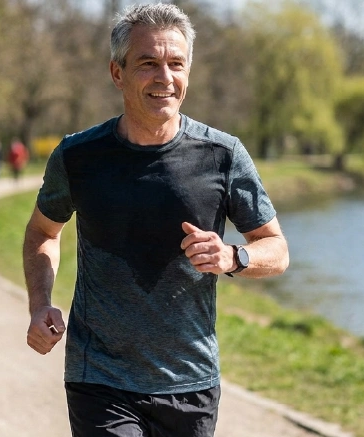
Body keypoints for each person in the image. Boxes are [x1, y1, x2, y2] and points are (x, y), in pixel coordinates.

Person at [22, 4, 289, 437]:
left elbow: (276, 249)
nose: (165, 77)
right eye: (148, 64)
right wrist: (39, 305)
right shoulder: (78, 157)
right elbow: (42, 231)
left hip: (191, 382)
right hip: (100, 378)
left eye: (175, 64)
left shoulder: (223, 156)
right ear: (117, 73)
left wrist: (232, 256)